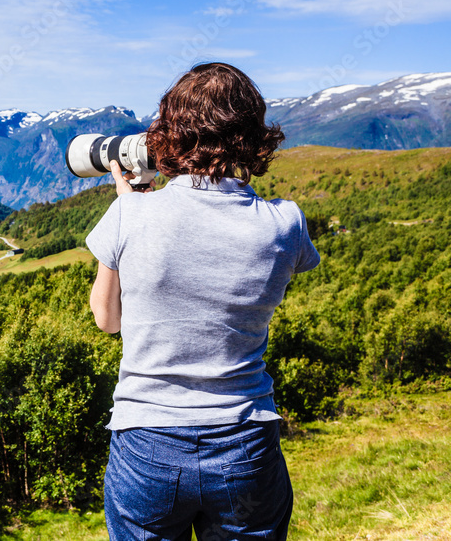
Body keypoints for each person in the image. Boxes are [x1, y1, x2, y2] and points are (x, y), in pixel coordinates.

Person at [85, 62, 320, 540]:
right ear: (254, 135)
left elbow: (107, 320)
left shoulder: (130, 214)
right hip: (244, 440)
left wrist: (132, 204)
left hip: (146, 439)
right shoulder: (285, 223)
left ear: (170, 133)